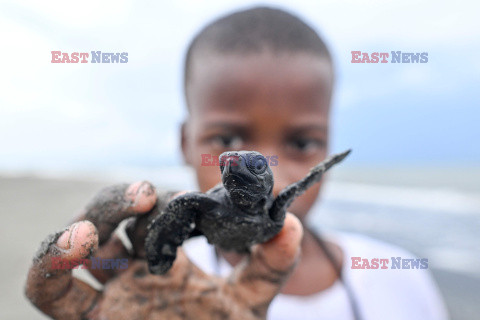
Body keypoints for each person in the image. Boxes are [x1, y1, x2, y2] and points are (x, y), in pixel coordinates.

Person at [25, 6, 448, 320]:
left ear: (328, 148)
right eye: (227, 140)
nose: (279, 173)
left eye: (302, 142)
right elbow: (182, 213)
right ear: (186, 143)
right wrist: (159, 248)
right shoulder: (162, 281)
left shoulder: (402, 284)